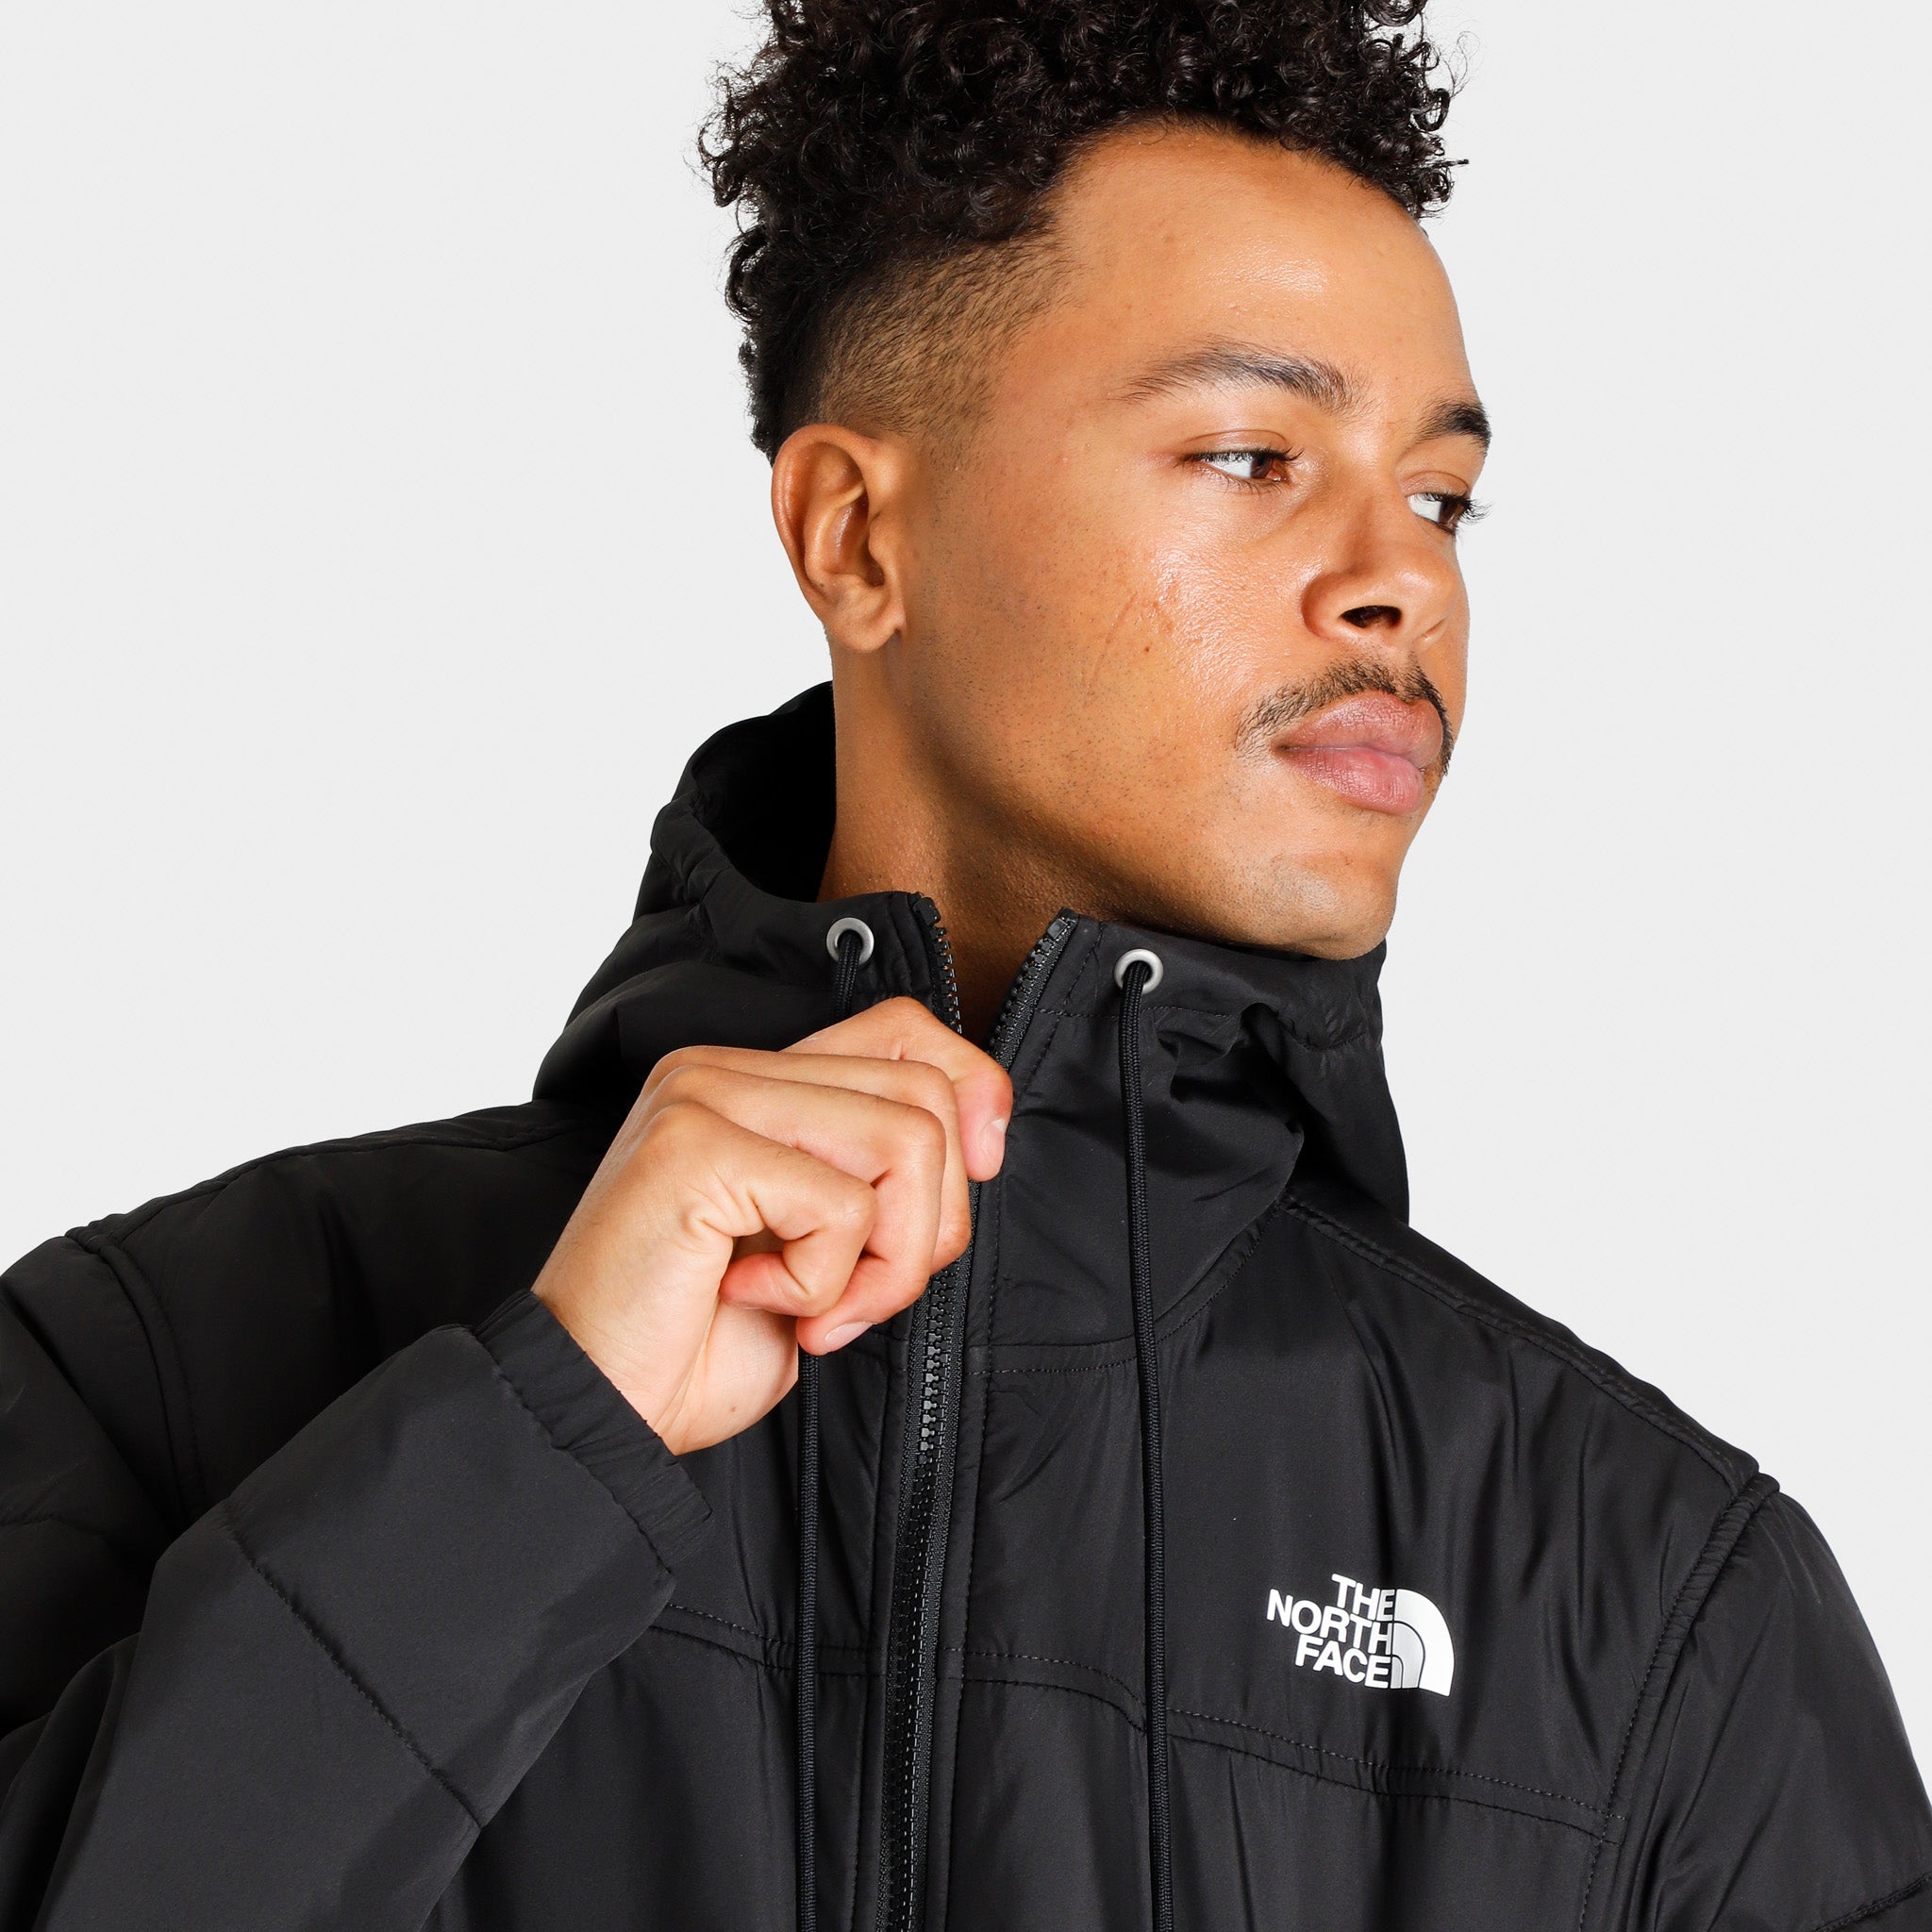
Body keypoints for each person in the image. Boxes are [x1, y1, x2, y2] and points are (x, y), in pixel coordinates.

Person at [2, 0, 1926, 1925]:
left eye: (1438, 495)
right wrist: (533, 1453)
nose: (1404, 579)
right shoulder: (162, 1368)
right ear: (854, 537)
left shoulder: (1660, 1605)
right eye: (1251, 453)